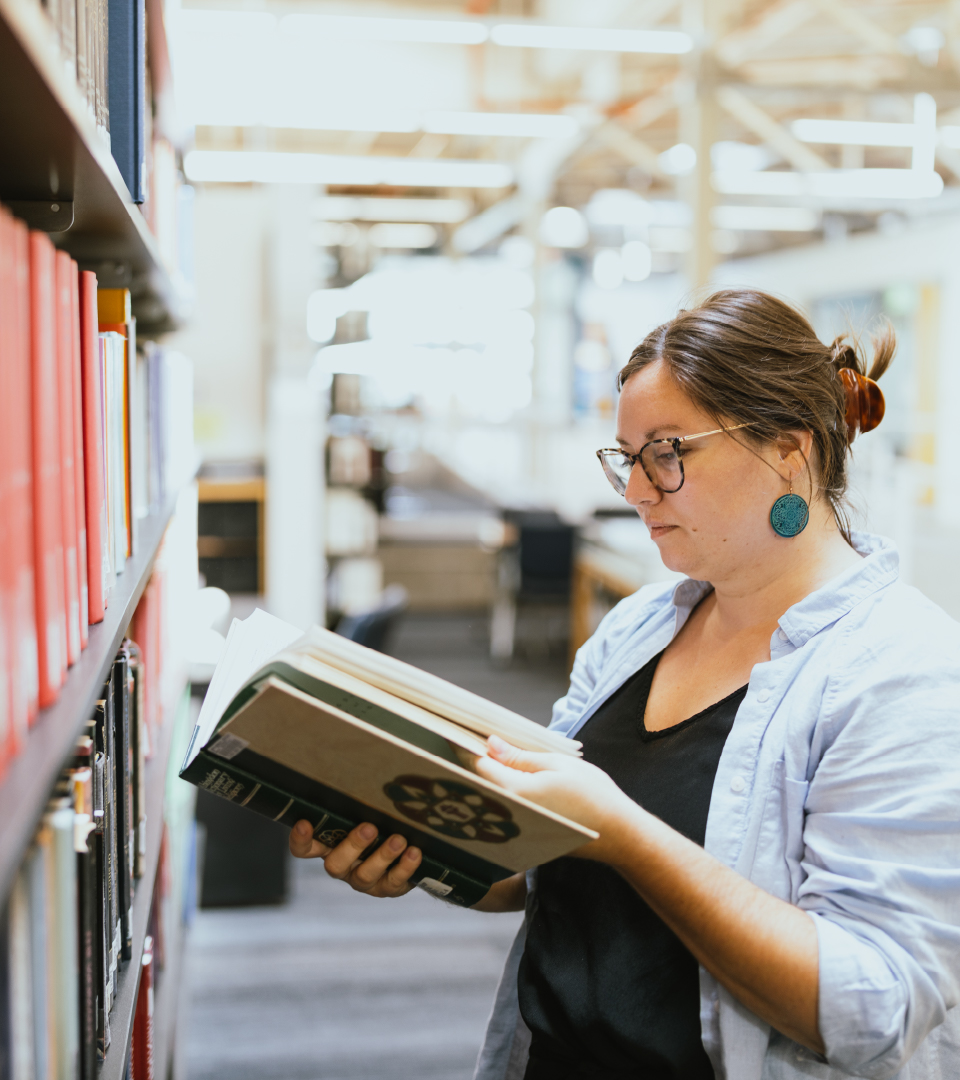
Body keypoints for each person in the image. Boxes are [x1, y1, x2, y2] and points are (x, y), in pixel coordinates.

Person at [289, 289, 960, 1080]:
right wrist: (426, 847)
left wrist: (629, 838)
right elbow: (540, 868)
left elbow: (873, 1009)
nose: (638, 490)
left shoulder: (906, 672)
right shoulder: (640, 626)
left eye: (669, 452)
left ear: (789, 450)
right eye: (627, 457)